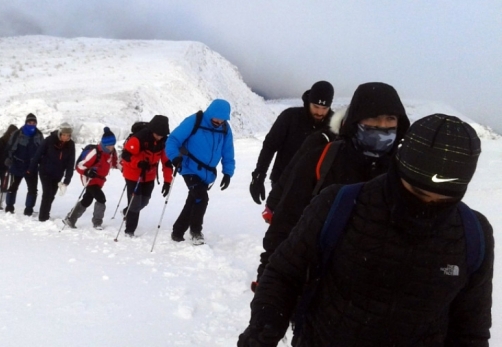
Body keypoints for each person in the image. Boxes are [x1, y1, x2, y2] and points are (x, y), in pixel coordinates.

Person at [239, 114, 493, 347]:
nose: (426, 206)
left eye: (443, 201)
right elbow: (284, 273)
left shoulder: (473, 234)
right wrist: (263, 330)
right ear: (398, 169)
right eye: (416, 192)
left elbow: (470, 330)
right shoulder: (339, 204)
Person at [253, 82, 411, 286]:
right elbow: (275, 152)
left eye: (390, 119)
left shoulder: (403, 172)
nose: (382, 127)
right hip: (291, 185)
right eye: (373, 118)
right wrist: (261, 179)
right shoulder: (317, 148)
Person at [250, 81, 334, 218]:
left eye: (324, 108)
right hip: (283, 183)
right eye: (316, 106)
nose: (319, 112)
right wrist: (259, 175)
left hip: (316, 188)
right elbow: (270, 146)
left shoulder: (334, 125)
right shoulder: (289, 117)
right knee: (282, 229)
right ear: (309, 101)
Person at [164, 99, 235, 244]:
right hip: (188, 167)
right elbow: (173, 140)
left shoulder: (225, 129)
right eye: (217, 118)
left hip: (207, 172)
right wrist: (174, 157)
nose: (219, 122)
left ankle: (177, 232)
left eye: (222, 119)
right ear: (211, 113)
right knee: (201, 198)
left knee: (193, 200)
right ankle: (196, 231)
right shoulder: (194, 121)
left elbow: (228, 152)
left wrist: (228, 172)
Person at [120, 115, 173, 237]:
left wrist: (167, 182)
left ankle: (126, 212)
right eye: (157, 134)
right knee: (135, 202)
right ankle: (129, 231)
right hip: (133, 174)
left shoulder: (163, 142)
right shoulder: (138, 138)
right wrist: (138, 163)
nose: (159, 137)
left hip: (149, 175)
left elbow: (167, 163)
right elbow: (126, 156)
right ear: (152, 130)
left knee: (144, 201)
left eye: (162, 135)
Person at [64, 127, 121, 230]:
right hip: (89, 179)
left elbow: (115, 163)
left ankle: (70, 218)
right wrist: (87, 172)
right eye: (108, 146)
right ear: (103, 144)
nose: (111, 148)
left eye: (112, 145)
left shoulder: (112, 152)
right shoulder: (95, 152)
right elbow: (79, 165)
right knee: (101, 198)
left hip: (100, 180)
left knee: (87, 200)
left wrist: (124, 168)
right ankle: (97, 223)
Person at [28, 122, 75, 222]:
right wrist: (31, 169)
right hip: (45, 170)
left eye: (68, 135)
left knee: (52, 194)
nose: (66, 137)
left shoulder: (71, 145)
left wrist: (67, 179)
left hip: (58, 173)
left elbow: (71, 163)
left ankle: (45, 213)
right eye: (64, 135)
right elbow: (38, 154)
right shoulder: (49, 140)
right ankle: (43, 217)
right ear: (60, 133)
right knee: (47, 193)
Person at [4, 113, 44, 215]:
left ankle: (29, 209)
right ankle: (9, 206)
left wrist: (41, 161)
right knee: (13, 186)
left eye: (34, 122)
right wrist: (8, 158)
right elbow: (9, 147)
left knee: (32, 189)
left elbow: (42, 150)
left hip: (32, 166)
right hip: (17, 163)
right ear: (26, 122)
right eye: (30, 122)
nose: (32, 124)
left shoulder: (39, 135)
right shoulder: (17, 133)